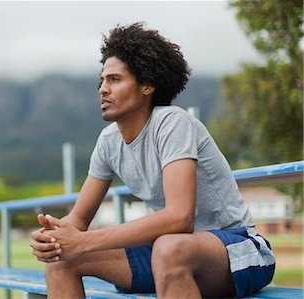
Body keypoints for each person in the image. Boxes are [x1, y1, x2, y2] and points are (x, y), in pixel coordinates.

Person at [30, 22, 275, 299]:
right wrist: (53, 237)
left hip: (239, 250)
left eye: (114, 79)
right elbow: (78, 219)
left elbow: (179, 218)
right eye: (101, 81)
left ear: (147, 84)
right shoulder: (108, 142)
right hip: (168, 255)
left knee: (169, 247)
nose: (103, 89)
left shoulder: (172, 123)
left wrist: (84, 241)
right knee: (62, 258)